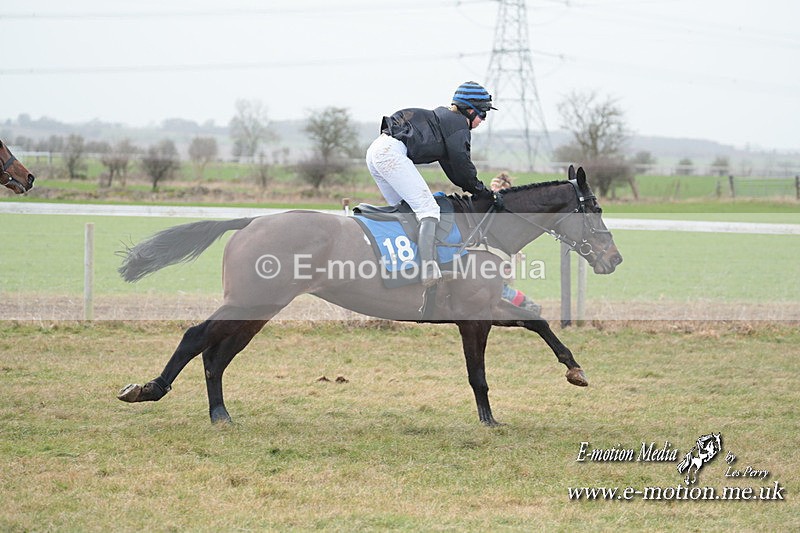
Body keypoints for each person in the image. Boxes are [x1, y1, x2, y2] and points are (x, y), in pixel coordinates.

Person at [365, 81, 502, 287]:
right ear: (470, 110)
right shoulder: (458, 125)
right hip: (390, 153)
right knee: (428, 209)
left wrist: (474, 188)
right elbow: (462, 166)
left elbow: (453, 170)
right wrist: (481, 191)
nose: (483, 119)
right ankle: (429, 268)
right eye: (483, 113)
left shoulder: (446, 122)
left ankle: (405, 263)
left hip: (377, 150)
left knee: (408, 211)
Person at [491, 172, 542, 316]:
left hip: (503, 254)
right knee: (498, 286)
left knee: (500, 287)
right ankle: (528, 306)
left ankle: (529, 306)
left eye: (495, 187)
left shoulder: (503, 208)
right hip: (499, 252)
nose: (492, 189)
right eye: (492, 186)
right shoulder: (495, 206)